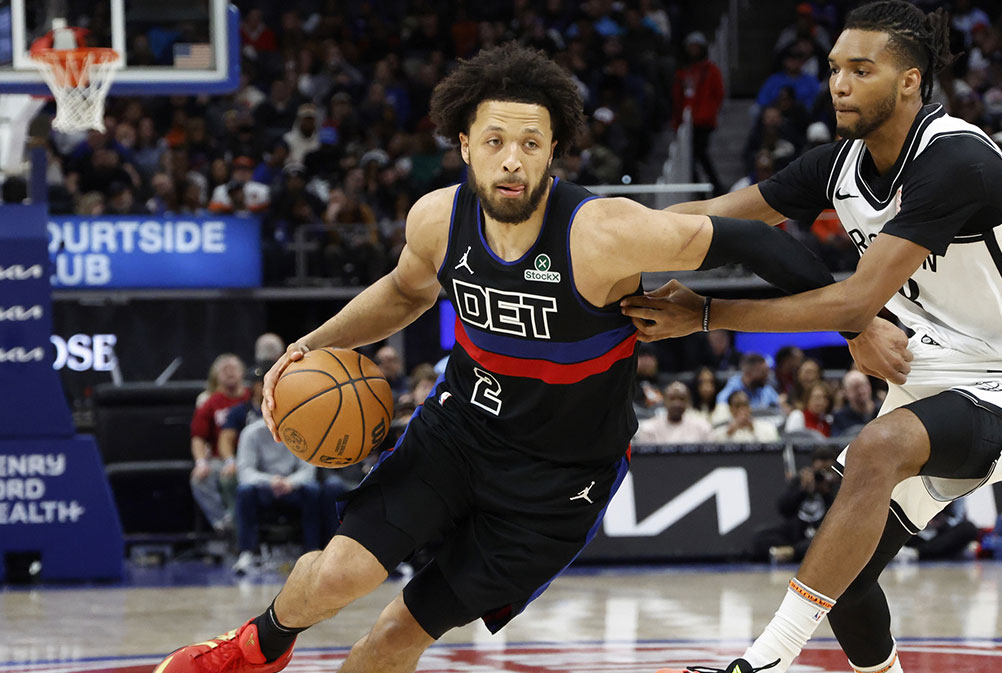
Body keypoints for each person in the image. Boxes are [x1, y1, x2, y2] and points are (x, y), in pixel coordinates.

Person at [155, 43, 908, 673]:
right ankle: (259, 643)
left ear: (554, 149)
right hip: (458, 434)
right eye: (494, 142)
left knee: (397, 631)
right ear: (463, 145)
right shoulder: (436, 219)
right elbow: (402, 292)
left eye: (530, 144)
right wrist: (313, 343)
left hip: (558, 483)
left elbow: (757, 239)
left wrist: (855, 321)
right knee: (342, 572)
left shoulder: (604, 233)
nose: (512, 161)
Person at [625, 4, 1002, 672]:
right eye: (835, 68)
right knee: (844, 578)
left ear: (910, 82)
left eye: (860, 70)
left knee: (880, 446)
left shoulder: (955, 159)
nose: (838, 84)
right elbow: (717, 216)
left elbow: (855, 298)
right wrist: (601, 226)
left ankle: (764, 661)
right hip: (931, 368)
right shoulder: (838, 165)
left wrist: (706, 313)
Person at [232, 418, 322, 575]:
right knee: (244, 491)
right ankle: (246, 552)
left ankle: (312, 551)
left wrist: (290, 482)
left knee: (313, 490)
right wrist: (270, 481)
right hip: (264, 488)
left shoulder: (303, 430)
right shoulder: (251, 432)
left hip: (292, 487)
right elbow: (244, 472)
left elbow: (308, 471)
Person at [190, 354, 250, 535]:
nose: (230, 372)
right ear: (216, 375)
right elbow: (198, 436)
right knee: (200, 478)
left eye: (233, 368)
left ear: (242, 372)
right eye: (224, 369)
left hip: (255, 457)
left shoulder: (253, 397)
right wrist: (200, 462)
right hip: (222, 459)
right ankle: (226, 522)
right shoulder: (210, 402)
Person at [672, 31, 726, 195]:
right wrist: (677, 121)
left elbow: (719, 93)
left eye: (696, 47)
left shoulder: (711, 70)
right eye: (690, 47)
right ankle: (707, 188)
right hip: (687, 121)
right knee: (693, 158)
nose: (693, 50)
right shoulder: (682, 72)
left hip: (704, 120)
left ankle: (713, 188)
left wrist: (710, 112)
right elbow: (677, 97)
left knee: (698, 154)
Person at [636, 382, 712, 443]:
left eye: (682, 399)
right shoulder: (648, 429)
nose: (677, 404)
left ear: (688, 402)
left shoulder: (702, 427)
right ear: (664, 401)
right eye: (672, 399)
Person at [710, 390, 781, 443]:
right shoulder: (719, 432)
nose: (742, 409)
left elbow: (772, 451)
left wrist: (753, 430)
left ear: (750, 408)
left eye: (745, 405)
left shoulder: (768, 428)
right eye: (737, 406)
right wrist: (730, 433)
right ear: (730, 409)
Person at [832, 370, 882, 437]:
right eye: (855, 387)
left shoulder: (883, 412)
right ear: (846, 392)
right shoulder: (840, 418)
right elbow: (837, 443)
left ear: (869, 386)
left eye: (864, 385)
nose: (861, 391)